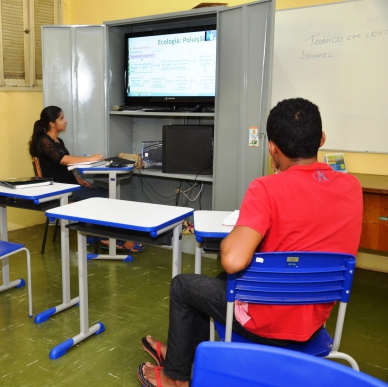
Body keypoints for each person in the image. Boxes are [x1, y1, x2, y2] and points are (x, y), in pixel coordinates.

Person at [137, 98, 363, 387]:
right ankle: (183, 356)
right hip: (313, 322)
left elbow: (232, 259)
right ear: (321, 139)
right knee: (216, 283)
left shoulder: (267, 188)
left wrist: (246, 222)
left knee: (183, 286)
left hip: (267, 324)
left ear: (272, 147)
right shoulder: (351, 187)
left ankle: (174, 379)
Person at [28, 106, 144, 253]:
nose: (66, 121)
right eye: (61, 118)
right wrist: (90, 158)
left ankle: (100, 233)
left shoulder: (58, 141)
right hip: (61, 191)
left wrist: (78, 179)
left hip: (71, 185)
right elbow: (63, 160)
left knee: (106, 192)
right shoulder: (45, 142)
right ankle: (110, 238)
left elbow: (65, 168)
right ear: (52, 123)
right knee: (104, 197)